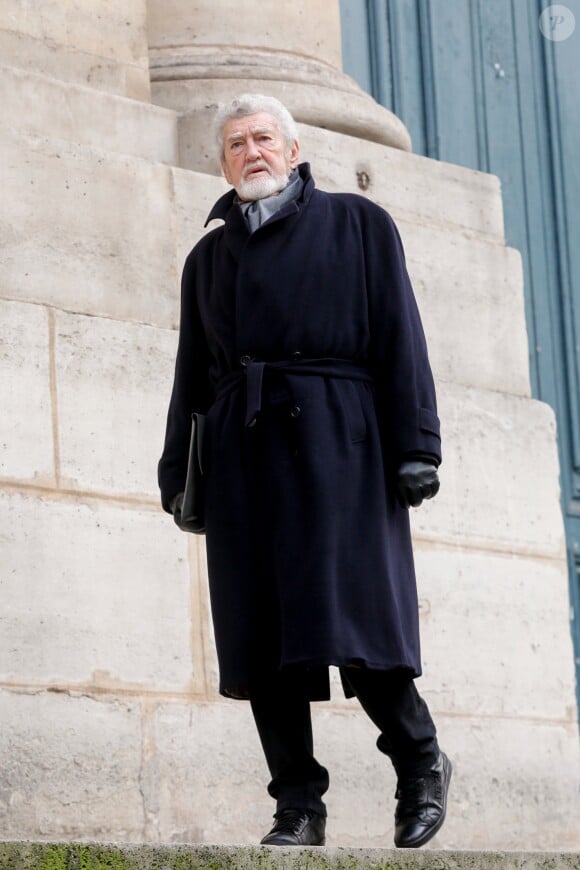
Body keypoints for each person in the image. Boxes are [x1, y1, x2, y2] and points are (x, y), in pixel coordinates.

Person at [158, 93, 451, 849]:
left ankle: (420, 762)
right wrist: (177, 472)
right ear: (221, 162)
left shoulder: (359, 225)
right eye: (234, 144)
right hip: (241, 456)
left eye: (263, 139)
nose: (250, 152)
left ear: (292, 150)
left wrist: (417, 444)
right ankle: (298, 806)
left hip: (341, 446)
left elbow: (400, 336)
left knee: (357, 621)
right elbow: (192, 372)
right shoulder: (207, 258)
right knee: (263, 639)